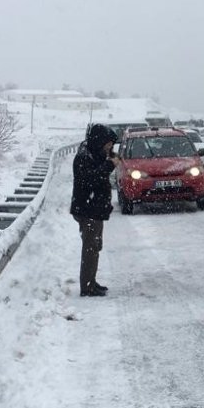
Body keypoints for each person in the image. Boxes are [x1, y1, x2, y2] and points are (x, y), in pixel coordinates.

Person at [70, 124, 120, 296]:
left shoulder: (94, 151)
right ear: (100, 141)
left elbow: (99, 169)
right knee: (90, 248)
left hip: (94, 209)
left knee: (95, 246)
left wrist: (111, 158)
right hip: (88, 209)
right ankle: (87, 286)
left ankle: (92, 281)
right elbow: (90, 180)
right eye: (109, 144)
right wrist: (109, 165)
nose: (110, 147)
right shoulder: (84, 156)